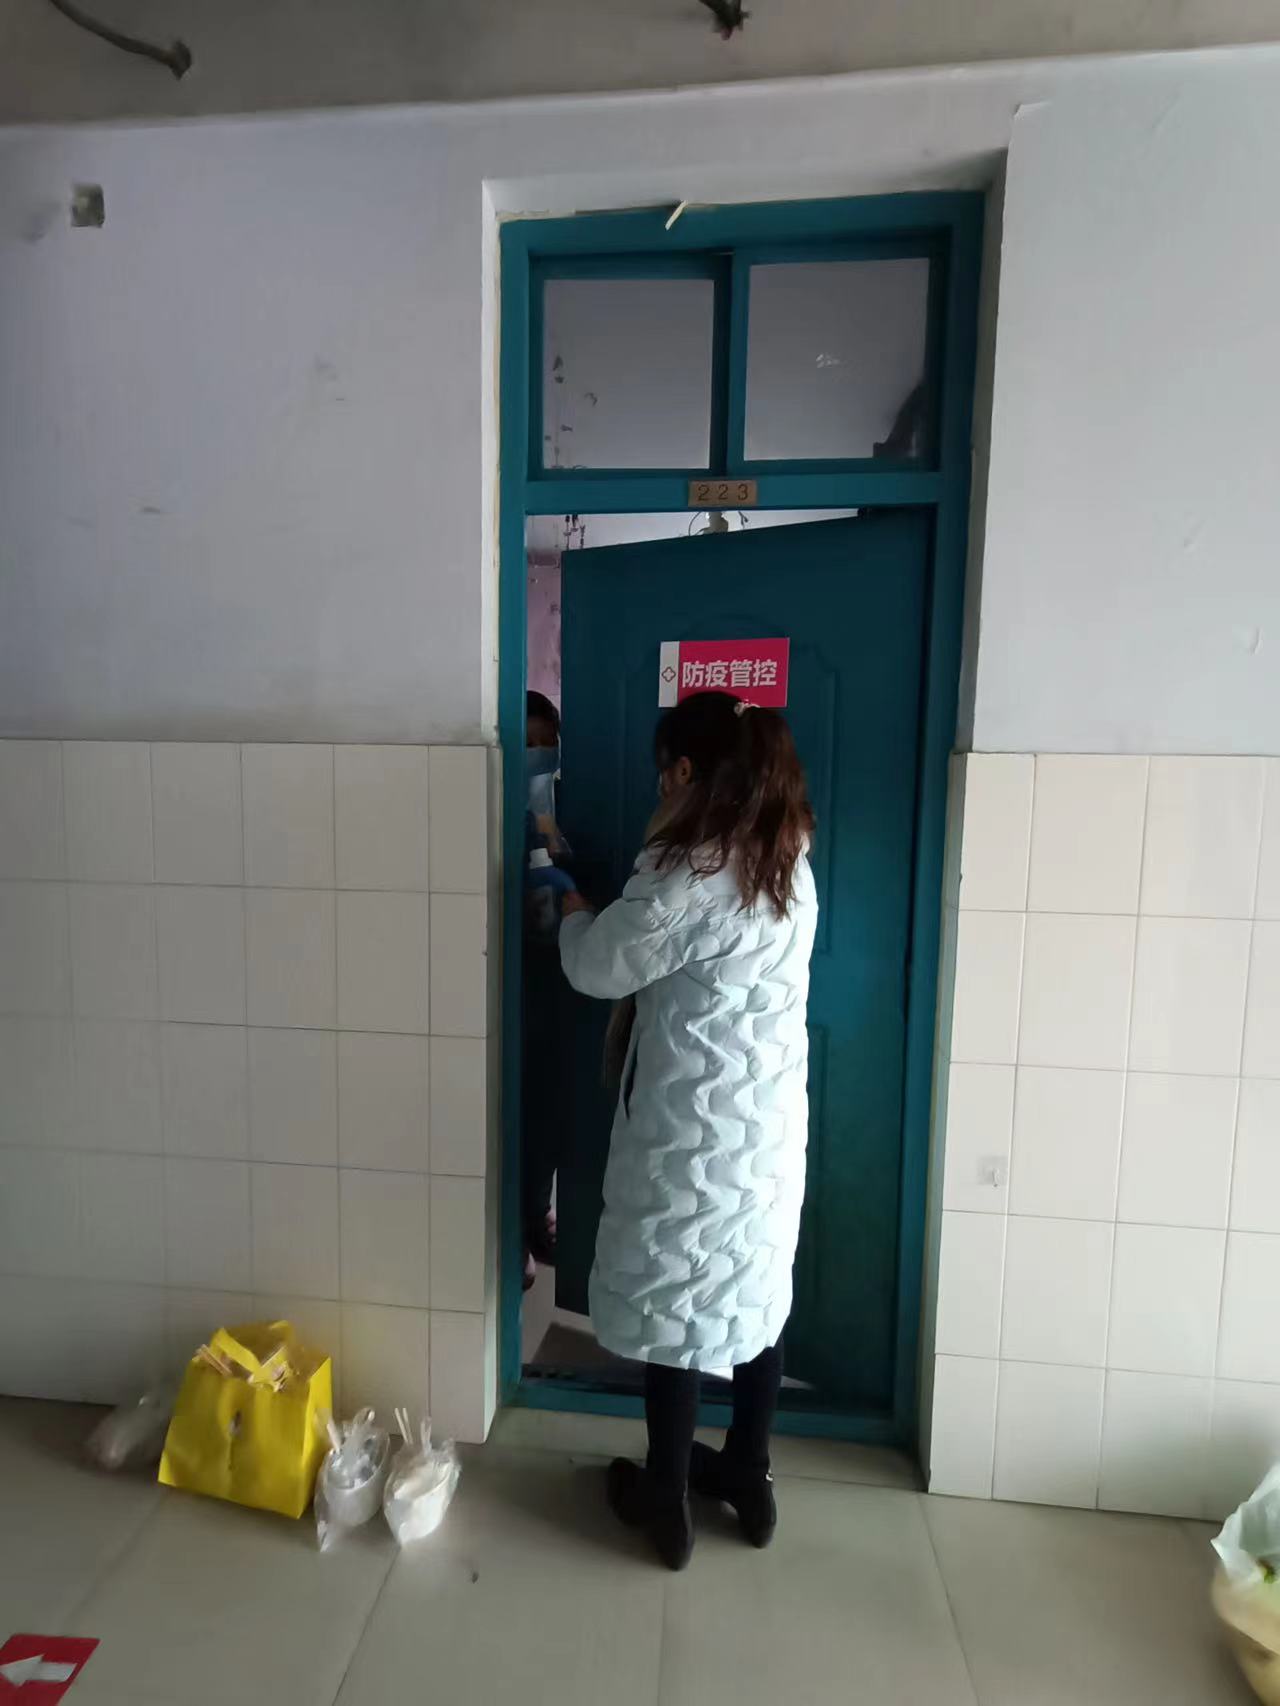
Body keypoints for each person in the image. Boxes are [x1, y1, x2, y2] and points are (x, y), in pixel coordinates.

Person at [558, 690, 817, 1570]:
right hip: (766, 1126)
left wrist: (570, 907)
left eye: (662, 774)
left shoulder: (692, 872)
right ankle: (748, 1472)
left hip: (694, 1129)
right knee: (752, 1291)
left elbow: (600, 967)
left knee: (680, 1289)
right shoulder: (789, 860)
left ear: (681, 772)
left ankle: (664, 1500)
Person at [522, 690, 572, 1281]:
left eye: (546, 745)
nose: (538, 755)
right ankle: (515, 1231)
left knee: (548, 1112)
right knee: (512, 1107)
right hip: (510, 972)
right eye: (528, 744)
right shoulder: (494, 801)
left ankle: (536, 1217)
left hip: (560, 970)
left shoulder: (564, 798)